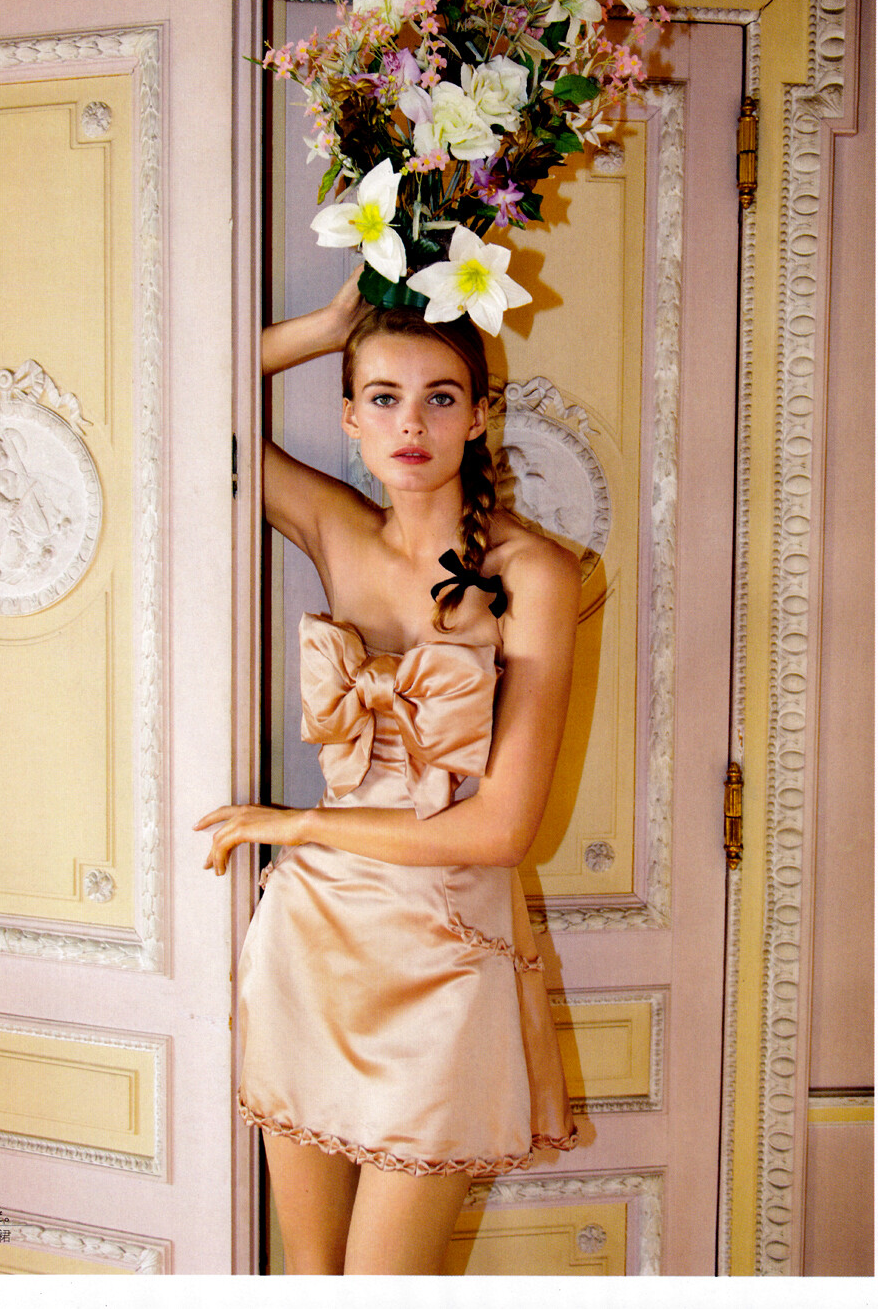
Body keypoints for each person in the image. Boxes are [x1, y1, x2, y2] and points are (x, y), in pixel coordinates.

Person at [195, 265, 580, 1275]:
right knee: (310, 1273)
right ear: (349, 417)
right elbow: (188, 402)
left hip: (443, 953)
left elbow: (501, 829)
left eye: (440, 397)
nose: (410, 423)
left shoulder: (532, 574)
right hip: (311, 943)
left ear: (478, 415)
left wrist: (297, 825)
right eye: (382, 397)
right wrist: (331, 323)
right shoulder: (335, 527)